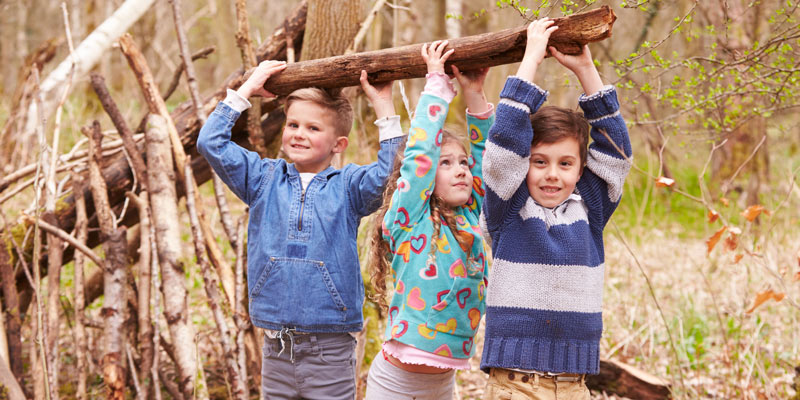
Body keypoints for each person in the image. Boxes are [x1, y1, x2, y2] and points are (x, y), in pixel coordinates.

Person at [196, 60, 405, 399]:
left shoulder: (348, 187)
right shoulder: (262, 178)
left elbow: (392, 174)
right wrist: (247, 89)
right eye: (293, 124)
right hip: (277, 345)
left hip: (331, 347)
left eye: (312, 128)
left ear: (338, 144)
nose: (298, 133)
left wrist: (383, 105)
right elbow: (211, 143)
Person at [480, 18, 633, 399]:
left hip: (574, 384)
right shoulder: (508, 209)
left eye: (565, 164)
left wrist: (586, 69)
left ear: (581, 169)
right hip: (515, 383)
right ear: (524, 163)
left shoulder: (590, 209)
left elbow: (617, 154)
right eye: (539, 161)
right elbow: (503, 149)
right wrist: (532, 56)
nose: (552, 174)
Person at [365, 40, 495, 399]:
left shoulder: (471, 217)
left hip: (442, 386)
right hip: (395, 384)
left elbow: (489, 162)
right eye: (446, 163)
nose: (461, 171)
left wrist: (474, 94)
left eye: (463, 163)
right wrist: (437, 86)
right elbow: (420, 154)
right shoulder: (409, 221)